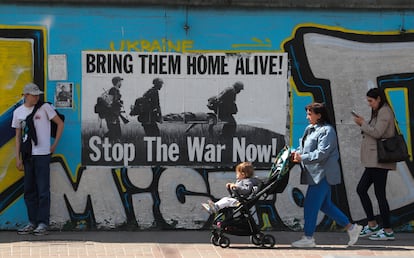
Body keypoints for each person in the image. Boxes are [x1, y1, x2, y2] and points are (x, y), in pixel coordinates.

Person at [291, 102, 362, 248]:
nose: (307, 117)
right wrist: (294, 152)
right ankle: (352, 228)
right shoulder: (311, 129)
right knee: (325, 205)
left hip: (322, 174)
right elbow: (305, 147)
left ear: (319, 115)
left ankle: (308, 238)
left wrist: (302, 158)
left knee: (310, 205)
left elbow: (322, 153)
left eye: (310, 114)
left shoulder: (327, 131)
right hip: (314, 174)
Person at [11, 83, 64, 236]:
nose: (37, 97)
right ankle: (32, 222)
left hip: (42, 154)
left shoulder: (45, 108)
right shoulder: (18, 112)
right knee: (29, 191)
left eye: (37, 94)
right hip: (28, 155)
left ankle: (43, 223)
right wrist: (18, 158)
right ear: (25, 95)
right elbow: (18, 137)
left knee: (43, 190)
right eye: (33, 95)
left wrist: (54, 145)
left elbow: (59, 124)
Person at [353, 88, 396, 241]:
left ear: (379, 99)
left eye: (371, 101)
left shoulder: (385, 112)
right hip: (373, 161)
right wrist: (364, 123)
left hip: (380, 161)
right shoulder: (378, 112)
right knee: (361, 189)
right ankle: (372, 224)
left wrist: (362, 123)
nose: (370, 104)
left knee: (380, 195)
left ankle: (388, 230)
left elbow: (377, 133)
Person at [105, 76, 125, 142]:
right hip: (111, 115)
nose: (121, 83)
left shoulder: (116, 90)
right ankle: (102, 140)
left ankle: (104, 141)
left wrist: (119, 103)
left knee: (116, 133)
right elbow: (110, 102)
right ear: (117, 82)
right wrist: (118, 103)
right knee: (114, 132)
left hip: (115, 114)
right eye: (120, 81)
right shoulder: (113, 90)